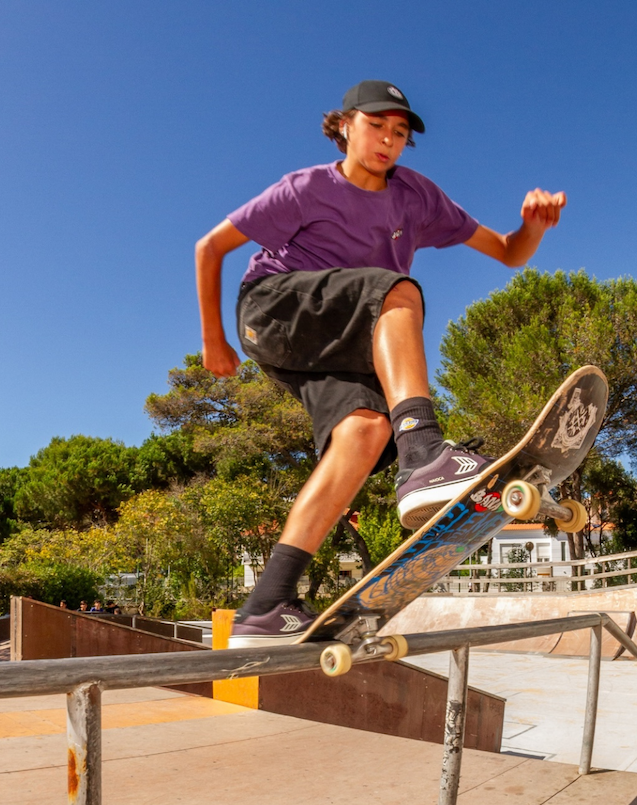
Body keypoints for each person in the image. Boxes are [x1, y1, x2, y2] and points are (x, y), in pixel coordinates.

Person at [195, 78, 566, 647]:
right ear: (344, 125)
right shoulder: (304, 189)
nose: (388, 142)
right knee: (395, 291)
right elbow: (210, 247)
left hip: (332, 338)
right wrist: (214, 341)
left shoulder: (417, 197)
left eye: (399, 134)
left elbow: (509, 252)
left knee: (365, 431)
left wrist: (533, 228)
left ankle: (266, 606)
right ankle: (423, 452)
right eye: (376, 127)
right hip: (274, 310)